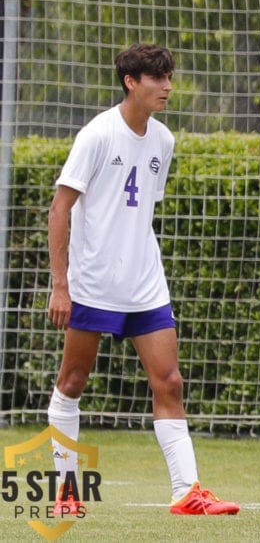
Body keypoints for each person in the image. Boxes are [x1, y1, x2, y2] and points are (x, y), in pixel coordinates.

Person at [46, 43, 239, 516]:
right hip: (93, 283)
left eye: (170, 77)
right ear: (131, 81)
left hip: (146, 283)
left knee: (169, 381)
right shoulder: (97, 135)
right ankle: (65, 491)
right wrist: (60, 284)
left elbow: (141, 211)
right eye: (158, 78)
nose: (167, 86)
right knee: (73, 381)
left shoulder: (164, 140)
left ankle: (187, 491)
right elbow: (59, 210)